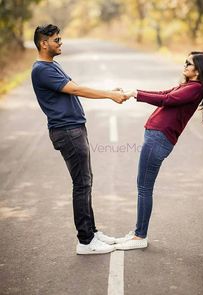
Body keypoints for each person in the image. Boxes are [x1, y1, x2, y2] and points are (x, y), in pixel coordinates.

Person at [31, 24, 127, 255]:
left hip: (73, 129)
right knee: (82, 184)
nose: (61, 43)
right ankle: (85, 241)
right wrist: (110, 95)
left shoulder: (52, 65)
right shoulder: (42, 70)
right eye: (56, 40)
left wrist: (109, 91)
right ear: (44, 43)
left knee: (85, 181)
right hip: (67, 132)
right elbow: (76, 90)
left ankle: (92, 232)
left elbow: (74, 89)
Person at [115, 51, 203, 250]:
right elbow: (165, 94)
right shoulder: (189, 86)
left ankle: (140, 236)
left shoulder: (195, 89)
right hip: (155, 138)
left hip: (158, 140)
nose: (185, 65)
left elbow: (167, 100)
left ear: (199, 70)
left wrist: (135, 94)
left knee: (144, 188)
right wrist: (134, 92)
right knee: (143, 187)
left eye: (188, 63)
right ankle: (138, 232)